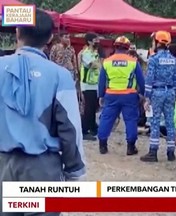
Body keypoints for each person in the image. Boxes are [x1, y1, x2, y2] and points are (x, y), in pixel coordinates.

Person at [0, 10, 85, 215]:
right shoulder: (60, 76)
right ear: (49, 38)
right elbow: (70, 128)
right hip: (43, 169)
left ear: (17, 32)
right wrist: (75, 170)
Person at [97, 36, 145, 155]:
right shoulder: (133, 62)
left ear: (115, 46)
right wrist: (142, 94)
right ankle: (130, 147)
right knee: (130, 120)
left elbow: (101, 81)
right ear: (128, 48)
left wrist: (101, 95)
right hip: (129, 95)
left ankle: (102, 146)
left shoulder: (107, 61)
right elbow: (141, 81)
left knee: (106, 119)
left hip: (111, 94)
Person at [140, 31, 176, 162]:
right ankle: (171, 153)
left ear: (157, 42)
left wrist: (146, 98)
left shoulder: (153, 59)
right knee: (170, 122)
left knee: (155, 121)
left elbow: (149, 80)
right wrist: (173, 94)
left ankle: (153, 152)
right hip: (170, 93)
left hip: (157, 92)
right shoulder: (174, 60)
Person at [80, 33, 101, 141]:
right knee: (88, 108)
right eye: (95, 40)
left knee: (93, 107)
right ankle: (84, 130)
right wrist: (101, 65)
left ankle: (93, 127)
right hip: (87, 84)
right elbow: (94, 65)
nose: (97, 41)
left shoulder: (95, 53)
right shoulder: (86, 53)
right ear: (89, 42)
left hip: (94, 84)